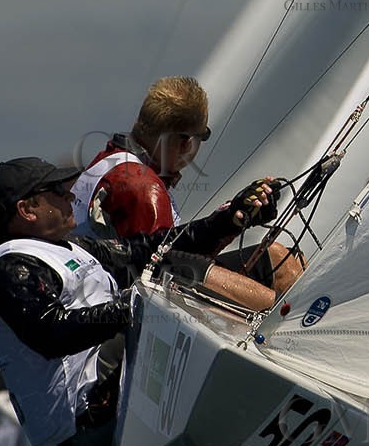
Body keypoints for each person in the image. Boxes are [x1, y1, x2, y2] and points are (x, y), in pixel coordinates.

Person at [0, 156, 279, 446]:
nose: (70, 196)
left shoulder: (72, 247)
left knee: (273, 260)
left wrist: (229, 220)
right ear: (27, 210)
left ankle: (299, 335)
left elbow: (151, 250)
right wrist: (135, 305)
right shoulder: (10, 265)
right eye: (57, 191)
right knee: (176, 274)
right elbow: (53, 333)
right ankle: (282, 339)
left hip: (116, 375)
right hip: (88, 414)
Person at [70, 75, 305, 292]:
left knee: (283, 257)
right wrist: (227, 223)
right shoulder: (144, 188)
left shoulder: (109, 159)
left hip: (98, 287)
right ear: (185, 144)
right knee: (280, 264)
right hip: (125, 311)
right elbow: (165, 269)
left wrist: (232, 219)